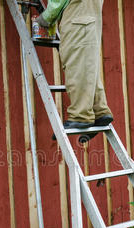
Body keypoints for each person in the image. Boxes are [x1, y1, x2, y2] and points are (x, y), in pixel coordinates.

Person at [36, 0, 113, 142]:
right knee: (87, 63)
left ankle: (80, 116)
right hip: (89, 12)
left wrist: (47, 17)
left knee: (76, 64)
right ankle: (99, 110)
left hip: (77, 13)